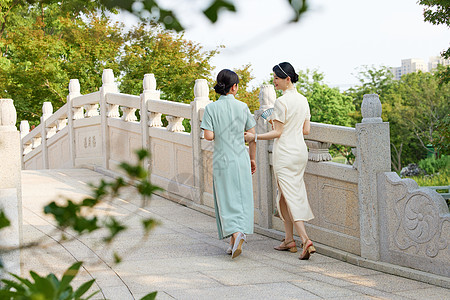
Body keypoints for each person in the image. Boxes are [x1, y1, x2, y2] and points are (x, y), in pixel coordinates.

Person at [244, 62, 315, 260]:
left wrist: (254, 137)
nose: (274, 81)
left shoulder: (281, 103)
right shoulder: (303, 100)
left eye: (276, 78)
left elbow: (277, 132)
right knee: (285, 194)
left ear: (287, 79)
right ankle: (288, 239)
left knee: (290, 195)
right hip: (300, 151)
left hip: (284, 153)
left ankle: (305, 239)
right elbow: (306, 130)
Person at [201, 69, 257, 259]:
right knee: (241, 197)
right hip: (241, 158)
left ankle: (235, 234)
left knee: (225, 198)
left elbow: (208, 135)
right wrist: (252, 158)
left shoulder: (210, 108)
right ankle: (234, 240)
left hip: (222, 159)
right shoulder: (243, 107)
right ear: (234, 87)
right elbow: (252, 135)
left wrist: (221, 133)